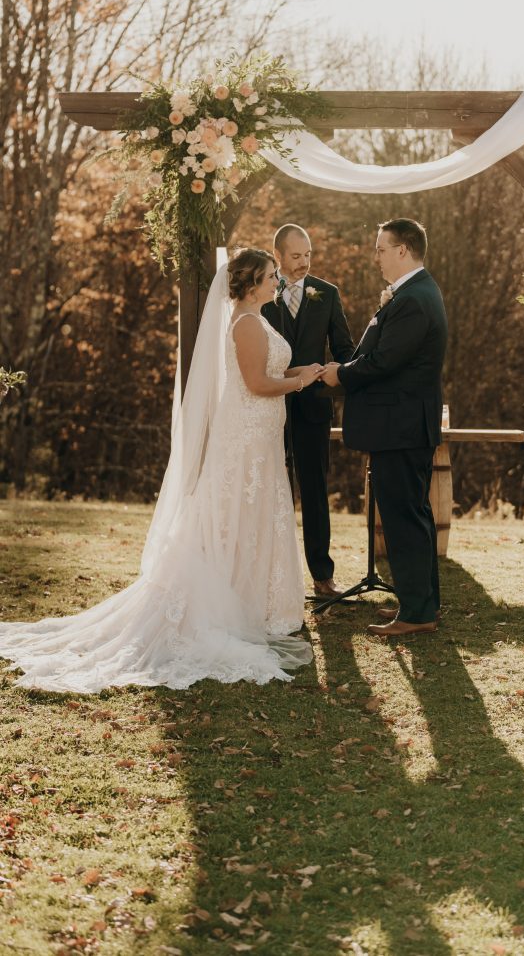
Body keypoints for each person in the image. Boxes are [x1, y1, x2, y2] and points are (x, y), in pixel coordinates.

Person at [0, 249, 322, 692]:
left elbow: (273, 370)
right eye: (270, 276)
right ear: (251, 284)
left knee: (254, 516)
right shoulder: (246, 323)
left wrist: (302, 370)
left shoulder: (258, 319)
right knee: (236, 516)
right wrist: (300, 383)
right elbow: (257, 384)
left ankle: (253, 602)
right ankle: (228, 604)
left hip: (260, 437)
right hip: (244, 438)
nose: (276, 281)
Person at [321, 218, 448, 637]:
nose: (375, 256)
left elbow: (384, 362)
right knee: (413, 514)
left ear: (403, 250)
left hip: (401, 426)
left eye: (380, 248)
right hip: (405, 425)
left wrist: (341, 374)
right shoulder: (412, 293)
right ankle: (423, 605)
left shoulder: (414, 299)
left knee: (403, 517)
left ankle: (416, 613)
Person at [261, 224, 354, 598]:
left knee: (315, 491)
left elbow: (344, 348)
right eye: (296, 256)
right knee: (268, 488)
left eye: (308, 255)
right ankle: (268, 575)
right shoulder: (262, 293)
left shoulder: (326, 294)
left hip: (314, 408)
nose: (304, 263)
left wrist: (350, 378)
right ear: (279, 256)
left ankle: (322, 575)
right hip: (269, 404)